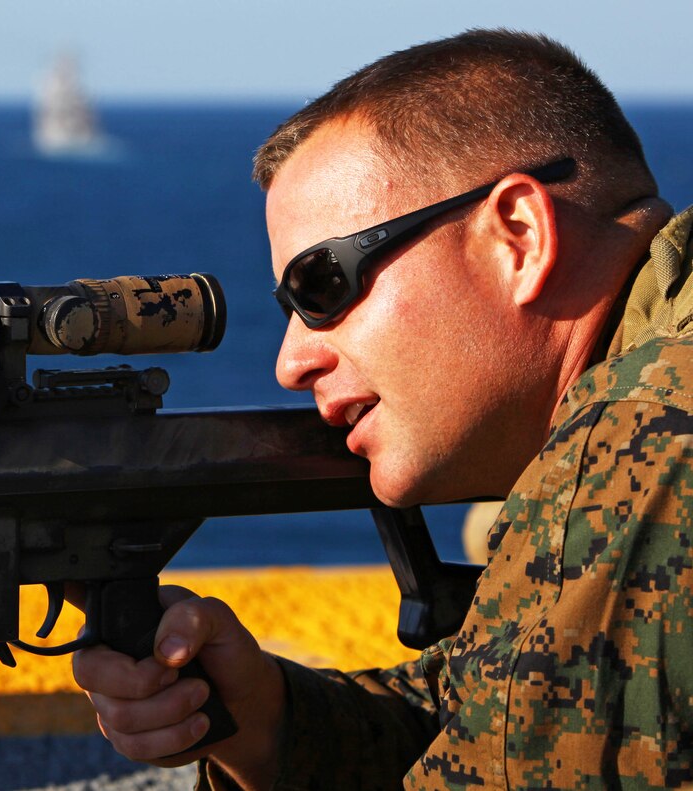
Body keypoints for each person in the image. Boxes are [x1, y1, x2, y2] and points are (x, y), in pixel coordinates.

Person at [71, 29, 693, 789]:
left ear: (519, 237)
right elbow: (504, 719)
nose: (292, 361)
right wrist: (272, 723)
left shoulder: (652, 437)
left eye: (324, 287)